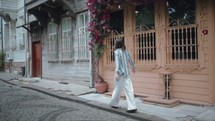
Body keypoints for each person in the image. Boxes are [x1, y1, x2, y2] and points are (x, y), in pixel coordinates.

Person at [109, 38, 137, 113]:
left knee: (117, 89)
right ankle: (132, 107)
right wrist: (133, 68)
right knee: (129, 90)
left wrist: (116, 73)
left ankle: (114, 103)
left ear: (116, 44)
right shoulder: (126, 52)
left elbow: (117, 63)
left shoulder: (116, 52)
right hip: (127, 74)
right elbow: (131, 60)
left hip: (120, 74)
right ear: (122, 44)